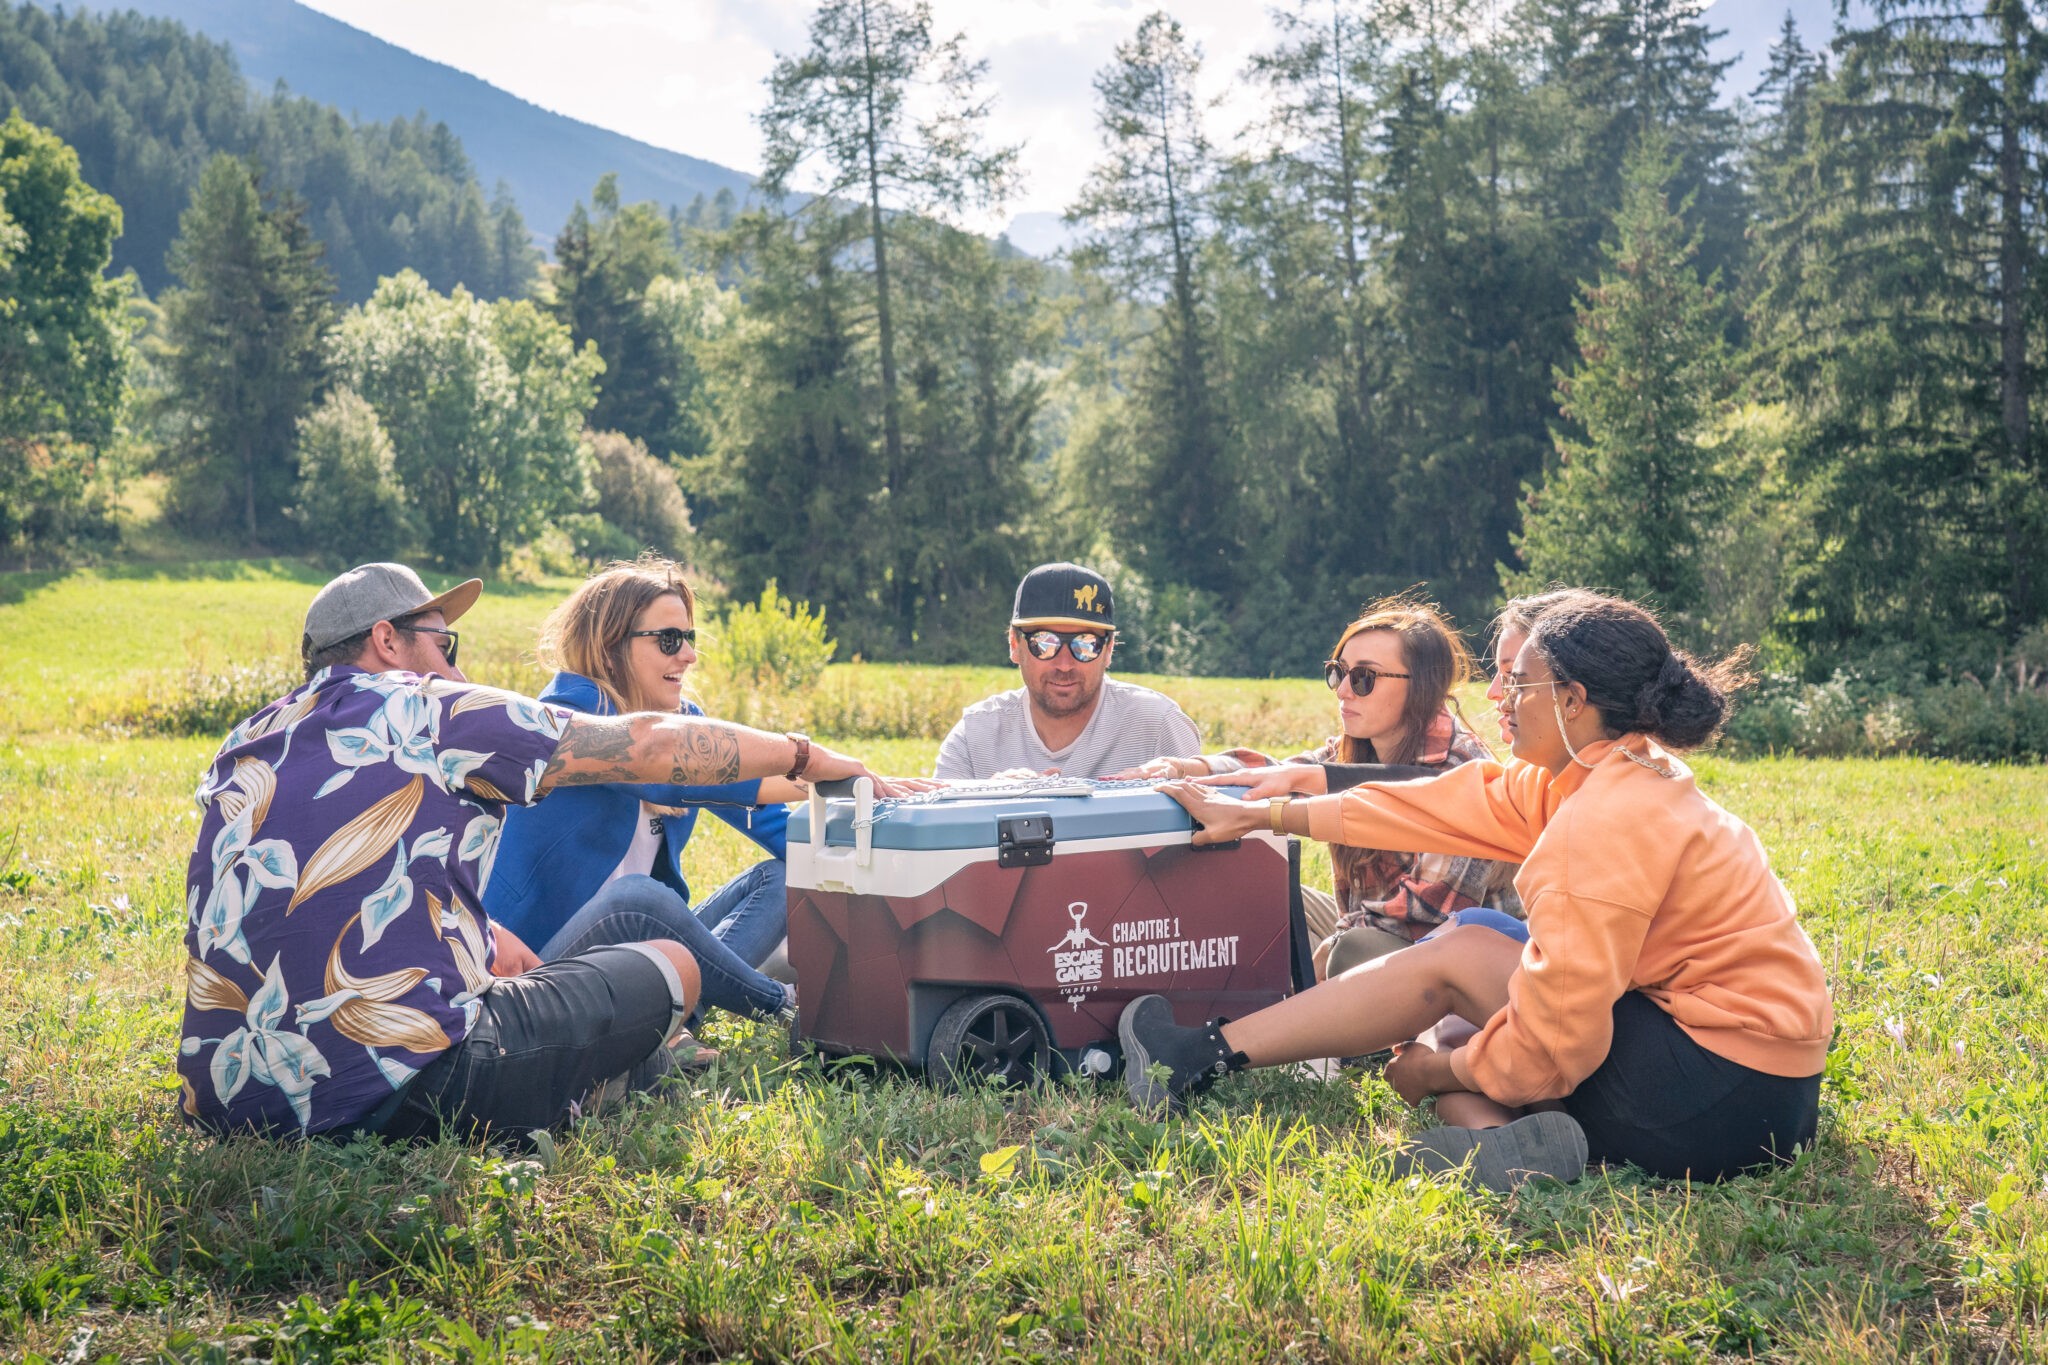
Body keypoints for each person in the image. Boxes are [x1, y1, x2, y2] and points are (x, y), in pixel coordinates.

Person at [1116, 593, 1832, 1191]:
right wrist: (1266, 812)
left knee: (1461, 961)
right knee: (1470, 969)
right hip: (1763, 1089)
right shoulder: (1604, 772)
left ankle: (1196, 1057)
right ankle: (1509, 1143)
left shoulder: (1602, 822)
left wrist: (1436, 1068)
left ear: (1575, 700)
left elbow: (1554, 1047)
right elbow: (1433, 803)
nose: (1497, 697)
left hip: (1722, 1100)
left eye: (1518, 682)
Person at [178, 562, 876, 1141]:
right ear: (388, 641)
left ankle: (636, 1058)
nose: (455, 665)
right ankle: (641, 1062)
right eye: (444, 644)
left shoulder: (244, 744)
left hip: (229, 1100)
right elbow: (656, 748)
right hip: (408, 1084)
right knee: (671, 962)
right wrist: (812, 757)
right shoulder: (436, 709)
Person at [485, 557, 812, 1040]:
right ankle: (779, 1004)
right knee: (636, 897)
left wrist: (862, 805)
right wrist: (814, 765)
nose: (688, 656)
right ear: (611, 644)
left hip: (642, 957)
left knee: (784, 876)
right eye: (668, 640)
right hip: (544, 973)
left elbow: (767, 816)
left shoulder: (683, 722)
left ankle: (669, 1027)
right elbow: (687, 776)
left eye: (689, 638)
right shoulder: (569, 718)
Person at [1118, 598, 1522, 978]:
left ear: (1420, 686)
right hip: (1365, 930)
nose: (1343, 691)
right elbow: (1279, 772)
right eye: (1338, 672)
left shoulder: (1463, 767)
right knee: (1257, 903)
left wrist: (1321, 958)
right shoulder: (1355, 752)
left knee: (1353, 950)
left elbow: (1421, 916)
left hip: (1452, 962)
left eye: (1364, 678)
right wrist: (1184, 767)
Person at [933, 562, 1201, 780]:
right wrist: (985, 800)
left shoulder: (1158, 726)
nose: (1064, 665)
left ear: (1108, 650)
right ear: (1015, 645)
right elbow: (937, 833)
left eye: (1085, 645)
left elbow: (1211, 830)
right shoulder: (976, 735)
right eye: (1044, 643)